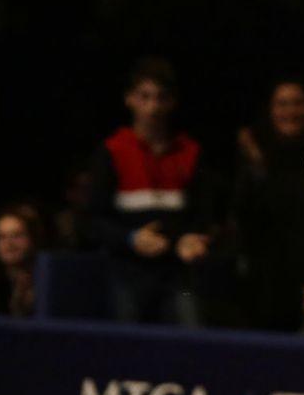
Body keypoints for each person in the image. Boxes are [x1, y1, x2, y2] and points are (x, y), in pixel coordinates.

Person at [86, 57, 217, 325]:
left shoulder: (191, 153)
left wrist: (192, 238)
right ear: (129, 99)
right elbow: (91, 221)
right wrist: (131, 239)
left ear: (172, 102)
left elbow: (206, 216)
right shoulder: (112, 151)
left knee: (193, 337)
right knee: (127, 349)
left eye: (161, 97)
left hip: (178, 273)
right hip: (126, 270)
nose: (153, 107)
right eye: (144, 97)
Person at [232, 79, 304, 331]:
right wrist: (257, 167)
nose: (290, 112)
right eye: (282, 104)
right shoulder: (253, 156)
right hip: (264, 287)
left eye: (297, 103)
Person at [0, 204, 44, 318]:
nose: (9, 243)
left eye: (17, 235)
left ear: (34, 238)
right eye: (1, 237)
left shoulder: (46, 283)